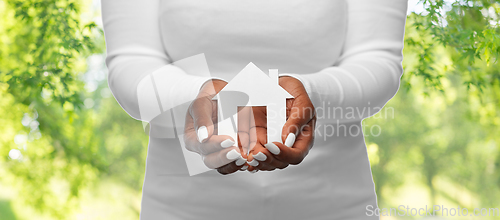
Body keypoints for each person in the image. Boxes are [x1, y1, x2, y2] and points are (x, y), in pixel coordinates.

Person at [101, 0, 408, 219]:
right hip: (180, 207)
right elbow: (132, 60)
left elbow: (377, 58)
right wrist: (194, 97)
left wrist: (311, 94)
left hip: (335, 204)